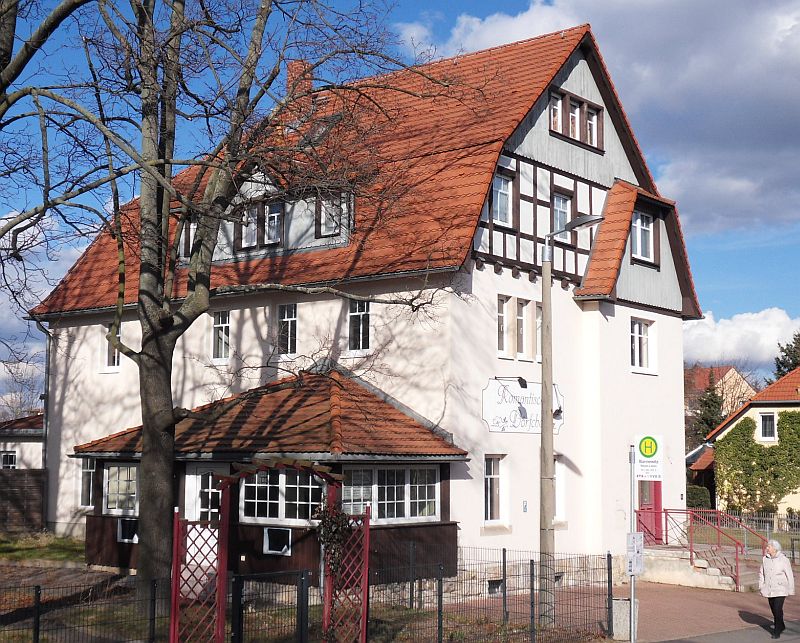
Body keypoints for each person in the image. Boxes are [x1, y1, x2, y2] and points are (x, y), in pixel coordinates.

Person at [760, 539, 795, 639]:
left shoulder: (783, 559)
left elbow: (789, 575)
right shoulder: (765, 559)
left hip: (781, 588)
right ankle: (781, 624)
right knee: (774, 609)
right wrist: (761, 586)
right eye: (767, 546)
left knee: (777, 608)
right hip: (769, 588)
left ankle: (777, 630)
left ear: (775, 548)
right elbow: (761, 573)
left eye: (769, 547)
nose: (767, 548)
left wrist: (791, 589)